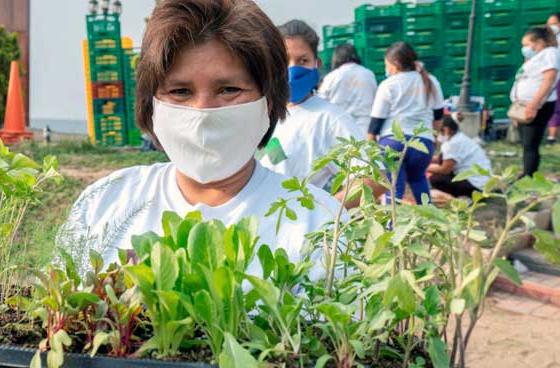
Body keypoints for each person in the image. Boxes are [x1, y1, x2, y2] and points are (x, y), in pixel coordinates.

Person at [57, 0, 341, 280]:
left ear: (268, 102)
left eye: (228, 89)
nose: (203, 111)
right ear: (151, 104)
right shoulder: (103, 203)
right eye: (180, 91)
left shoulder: (319, 222)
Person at [259, 20, 365, 190]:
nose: (293, 70)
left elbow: (369, 181)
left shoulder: (330, 119)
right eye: (285, 61)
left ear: (318, 65)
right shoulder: (267, 113)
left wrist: (321, 212)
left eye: (303, 60)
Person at [368, 42, 444, 204]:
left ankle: (391, 226)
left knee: (394, 187)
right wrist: (434, 138)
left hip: (393, 141)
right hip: (422, 142)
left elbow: (376, 122)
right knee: (419, 180)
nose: (387, 69)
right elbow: (438, 116)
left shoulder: (388, 85)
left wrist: (370, 146)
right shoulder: (430, 81)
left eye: (386, 65)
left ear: (394, 64)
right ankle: (428, 221)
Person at [510, 27, 560, 177]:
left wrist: (534, 105)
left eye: (527, 45)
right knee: (526, 144)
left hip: (537, 106)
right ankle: (526, 172)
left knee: (531, 144)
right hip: (523, 105)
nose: (524, 49)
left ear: (539, 42)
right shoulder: (537, 57)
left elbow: (549, 79)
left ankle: (529, 176)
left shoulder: (550, 53)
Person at [317, 43, 378, 134]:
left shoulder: (332, 77)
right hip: (365, 127)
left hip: (339, 128)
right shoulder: (369, 74)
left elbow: (320, 102)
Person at [428, 114, 491, 198]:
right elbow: (441, 158)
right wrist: (423, 159)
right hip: (483, 183)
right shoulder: (459, 138)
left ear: (446, 130)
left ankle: (464, 196)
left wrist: (424, 168)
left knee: (436, 179)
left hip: (476, 186)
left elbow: (445, 170)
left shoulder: (453, 144)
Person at [546, 12, 560, 145]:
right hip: (553, 75)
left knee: (555, 104)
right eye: (549, 23)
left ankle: (552, 138)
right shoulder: (553, 35)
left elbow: (556, 51)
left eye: (554, 23)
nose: (550, 26)